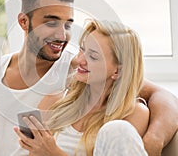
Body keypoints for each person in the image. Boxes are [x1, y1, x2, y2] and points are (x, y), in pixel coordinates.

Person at [0, 0, 178, 156]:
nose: (62, 35)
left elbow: (161, 95)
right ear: (23, 22)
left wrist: (153, 140)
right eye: (51, 22)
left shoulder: (77, 69)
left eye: (68, 24)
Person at [14, 19, 149, 156]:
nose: (80, 60)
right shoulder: (54, 102)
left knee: (117, 128)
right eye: (82, 49)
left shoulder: (133, 113)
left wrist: (53, 153)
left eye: (93, 56)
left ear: (117, 72)